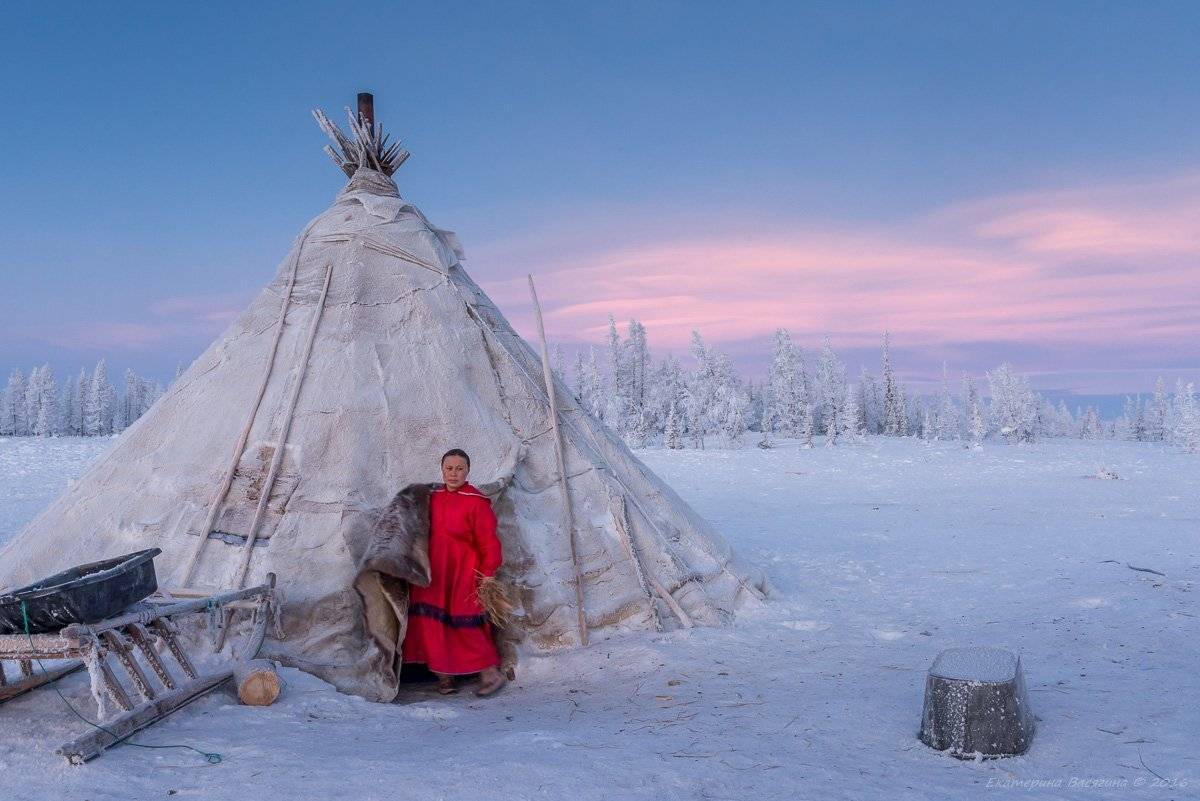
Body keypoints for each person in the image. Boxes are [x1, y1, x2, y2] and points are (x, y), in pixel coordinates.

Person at [401, 448, 507, 697]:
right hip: (433, 573)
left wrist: (488, 574)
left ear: (468, 471)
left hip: (463, 573)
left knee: (464, 623)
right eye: (449, 468)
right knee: (430, 624)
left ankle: (490, 674)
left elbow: (489, 542)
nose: (454, 473)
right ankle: (444, 676)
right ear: (442, 470)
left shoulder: (476, 501)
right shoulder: (433, 497)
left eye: (459, 468)